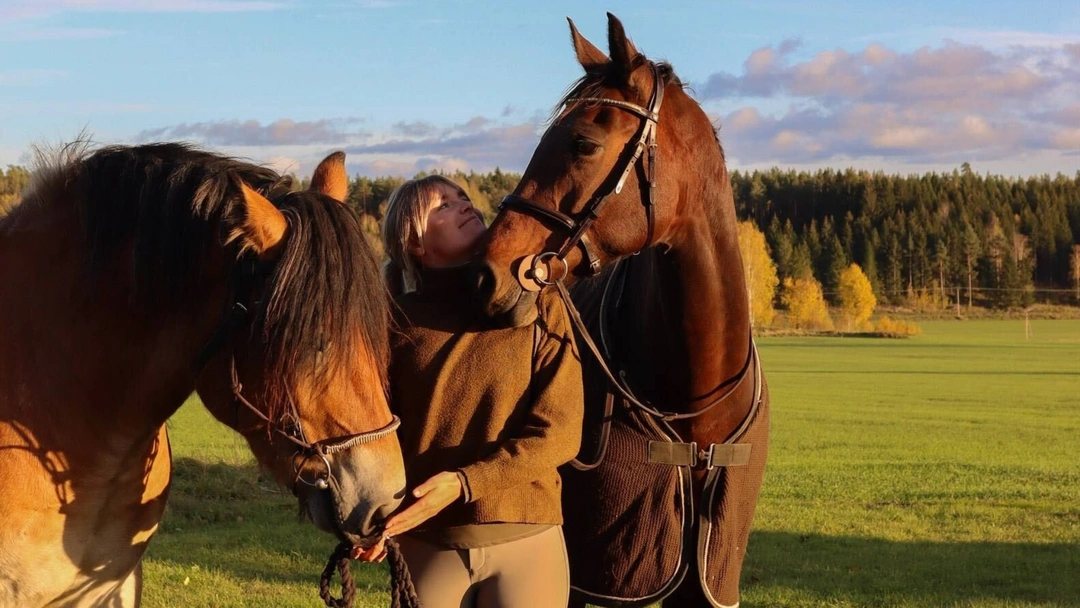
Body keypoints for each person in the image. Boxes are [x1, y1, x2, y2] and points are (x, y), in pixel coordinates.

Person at [353, 175, 584, 608]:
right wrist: (374, 520)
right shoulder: (389, 323)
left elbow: (562, 432)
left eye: (463, 197)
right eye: (442, 205)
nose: (464, 205)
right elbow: (376, 438)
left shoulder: (541, 304)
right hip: (427, 543)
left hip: (528, 537)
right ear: (415, 243)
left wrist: (463, 484)